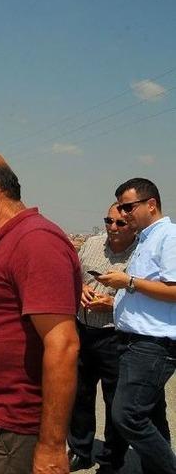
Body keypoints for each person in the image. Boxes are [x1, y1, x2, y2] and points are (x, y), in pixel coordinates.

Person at [0, 151, 81, 474]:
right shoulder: (0, 242)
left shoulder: (35, 242)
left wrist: (50, 446)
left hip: (8, 430)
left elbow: (63, 345)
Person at [96, 178, 176, 474]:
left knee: (127, 415)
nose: (124, 214)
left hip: (152, 344)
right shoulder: (146, 239)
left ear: (151, 205)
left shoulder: (169, 236)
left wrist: (127, 282)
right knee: (151, 416)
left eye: (128, 207)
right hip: (132, 341)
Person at [66, 204, 135, 473]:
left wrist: (114, 302)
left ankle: (111, 459)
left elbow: (143, 292)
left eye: (120, 223)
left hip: (115, 334)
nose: (113, 228)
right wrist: (80, 287)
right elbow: (73, 276)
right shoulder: (91, 244)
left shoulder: (140, 252)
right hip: (82, 328)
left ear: (133, 226)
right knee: (79, 394)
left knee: (114, 401)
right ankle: (80, 450)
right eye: (109, 221)